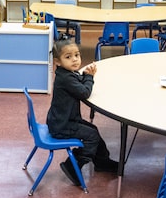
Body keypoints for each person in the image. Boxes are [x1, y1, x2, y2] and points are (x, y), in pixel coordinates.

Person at [46, 39, 119, 186]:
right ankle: (73, 165)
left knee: (93, 130)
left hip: (63, 120)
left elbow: (79, 82)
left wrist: (85, 76)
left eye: (77, 55)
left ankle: (102, 162)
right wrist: (90, 77)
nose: (74, 59)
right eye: (68, 57)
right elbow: (84, 92)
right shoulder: (66, 78)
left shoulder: (67, 73)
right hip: (62, 125)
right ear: (57, 62)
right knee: (92, 136)